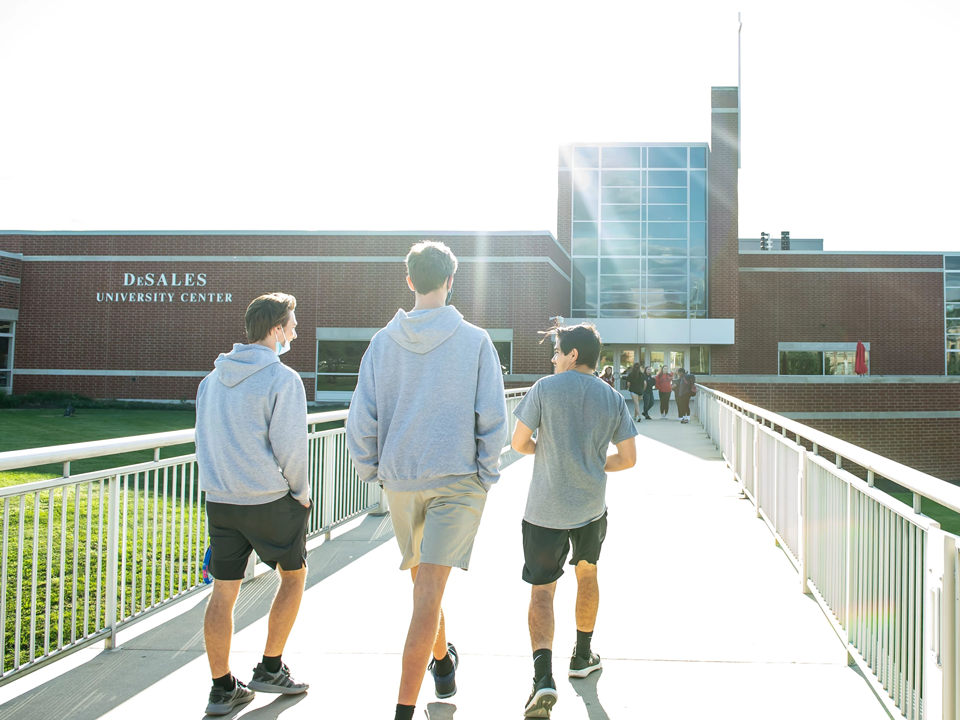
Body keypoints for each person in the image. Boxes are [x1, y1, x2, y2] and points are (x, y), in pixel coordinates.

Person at [346, 241, 509, 720]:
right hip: (457, 480)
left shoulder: (381, 342)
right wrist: (485, 475)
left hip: (400, 481)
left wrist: (372, 471)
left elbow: (361, 421)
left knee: (424, 590)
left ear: (410, 279)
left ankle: (442, 663)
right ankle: (404, 708)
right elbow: (493, 417)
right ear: (452, 281)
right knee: (427, 596)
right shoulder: (475, 340)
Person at [511, 322, 638, 718]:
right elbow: (628, 458)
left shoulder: (544, 390)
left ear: (573, 356)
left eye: (557, 350)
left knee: (542, 592)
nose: (553, 357)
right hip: (589, 509)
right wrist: (590, 465)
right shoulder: (612, 397)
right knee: (587, 575)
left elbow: (517, 443)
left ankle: (542, 678)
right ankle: (582, 656)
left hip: (544, 511)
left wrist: (550, 454)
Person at [195, 293, 311, 716]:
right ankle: (271, 667)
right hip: (268, 500)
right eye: (292, 325)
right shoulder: (283, 379)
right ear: (276, 329)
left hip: (221, 501)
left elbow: (202, 440)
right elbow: (291, 449)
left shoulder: (210, 380)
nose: (296, 332)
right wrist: (300, 493)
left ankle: (222, 688)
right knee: (294, 577)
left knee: (223, 592)